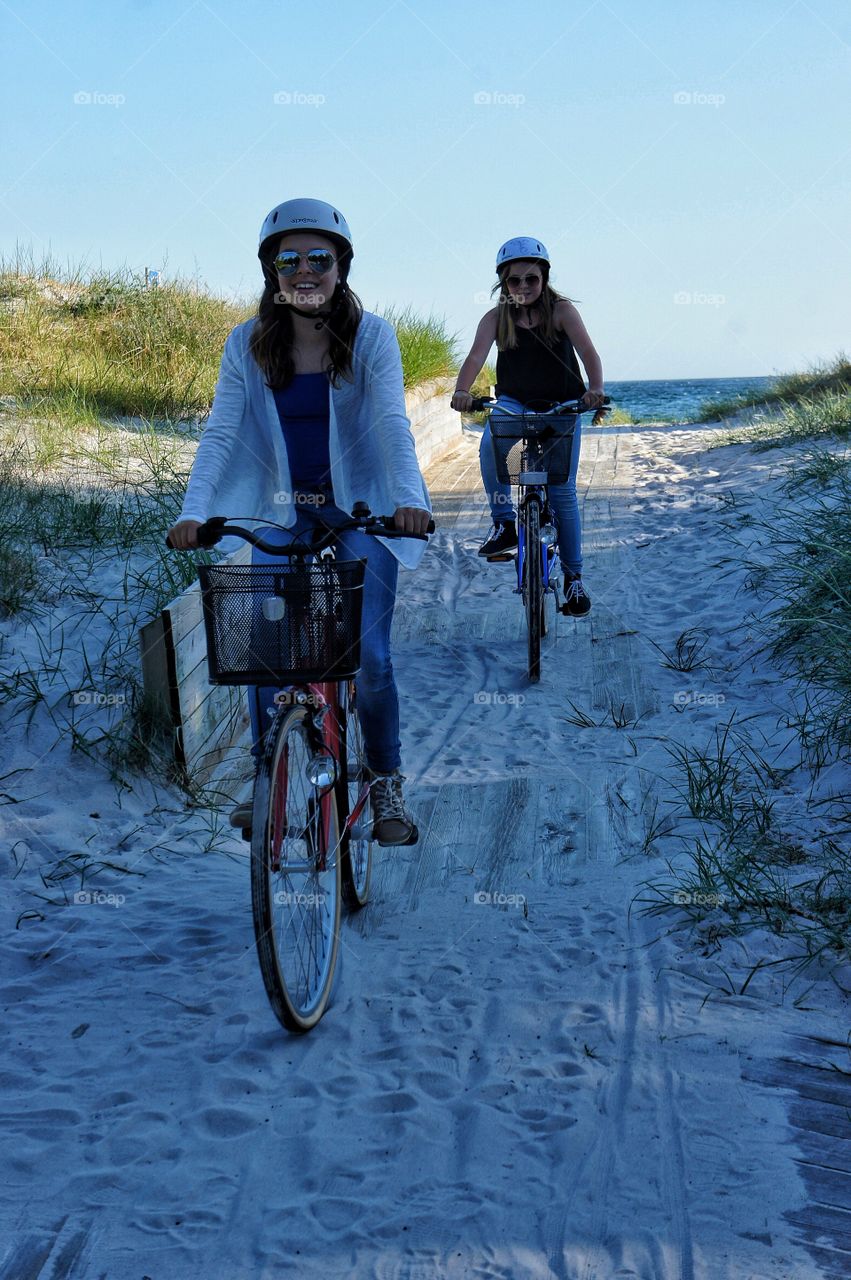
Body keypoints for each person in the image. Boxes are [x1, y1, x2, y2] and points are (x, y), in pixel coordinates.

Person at [167, 198, 431, 845]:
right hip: (281, 511)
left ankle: (386, 784)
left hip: (360, 509)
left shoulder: (371, 336)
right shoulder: (247, 344)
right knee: (267, 656)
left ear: (341, 267)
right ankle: (269, 776)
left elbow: (394, 425)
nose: (304, 270)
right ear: (271, 271)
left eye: (319, 258)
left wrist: (408, 498)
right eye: (289, 260)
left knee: (369, 659)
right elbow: (222, 432)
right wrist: (194, 511)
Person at [450, 237, 605, 616]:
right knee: (490, 442)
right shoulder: (495, 318)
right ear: (503, 282)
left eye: (530, 280)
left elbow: (589, 354)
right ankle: (504, 523)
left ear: (544, 278)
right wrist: (461, 390)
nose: (522, 287)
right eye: (514, 281)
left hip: (562, 405)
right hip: (514, 402)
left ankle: (574, 580)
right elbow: (474, 357)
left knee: (563, 492)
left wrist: (596, 390)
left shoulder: (562, 312)